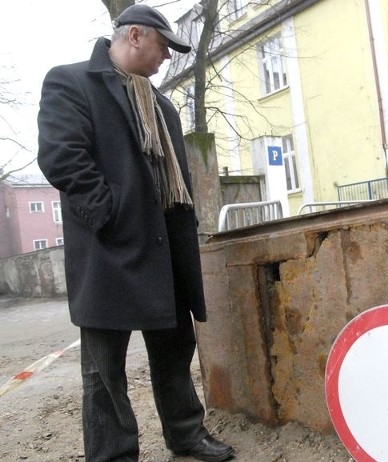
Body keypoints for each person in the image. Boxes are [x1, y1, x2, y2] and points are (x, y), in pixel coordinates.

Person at [37, 4, 234, 462]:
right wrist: (111, 213)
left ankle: (186, 433)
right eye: (165, 46)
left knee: (174, 350)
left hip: (164, 248)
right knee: (104, 369)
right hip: (109, 251)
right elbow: (62, 157)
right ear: (136, 36)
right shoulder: (71, 82)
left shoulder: (162, 105)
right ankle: (113, 454)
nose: (167, 57)